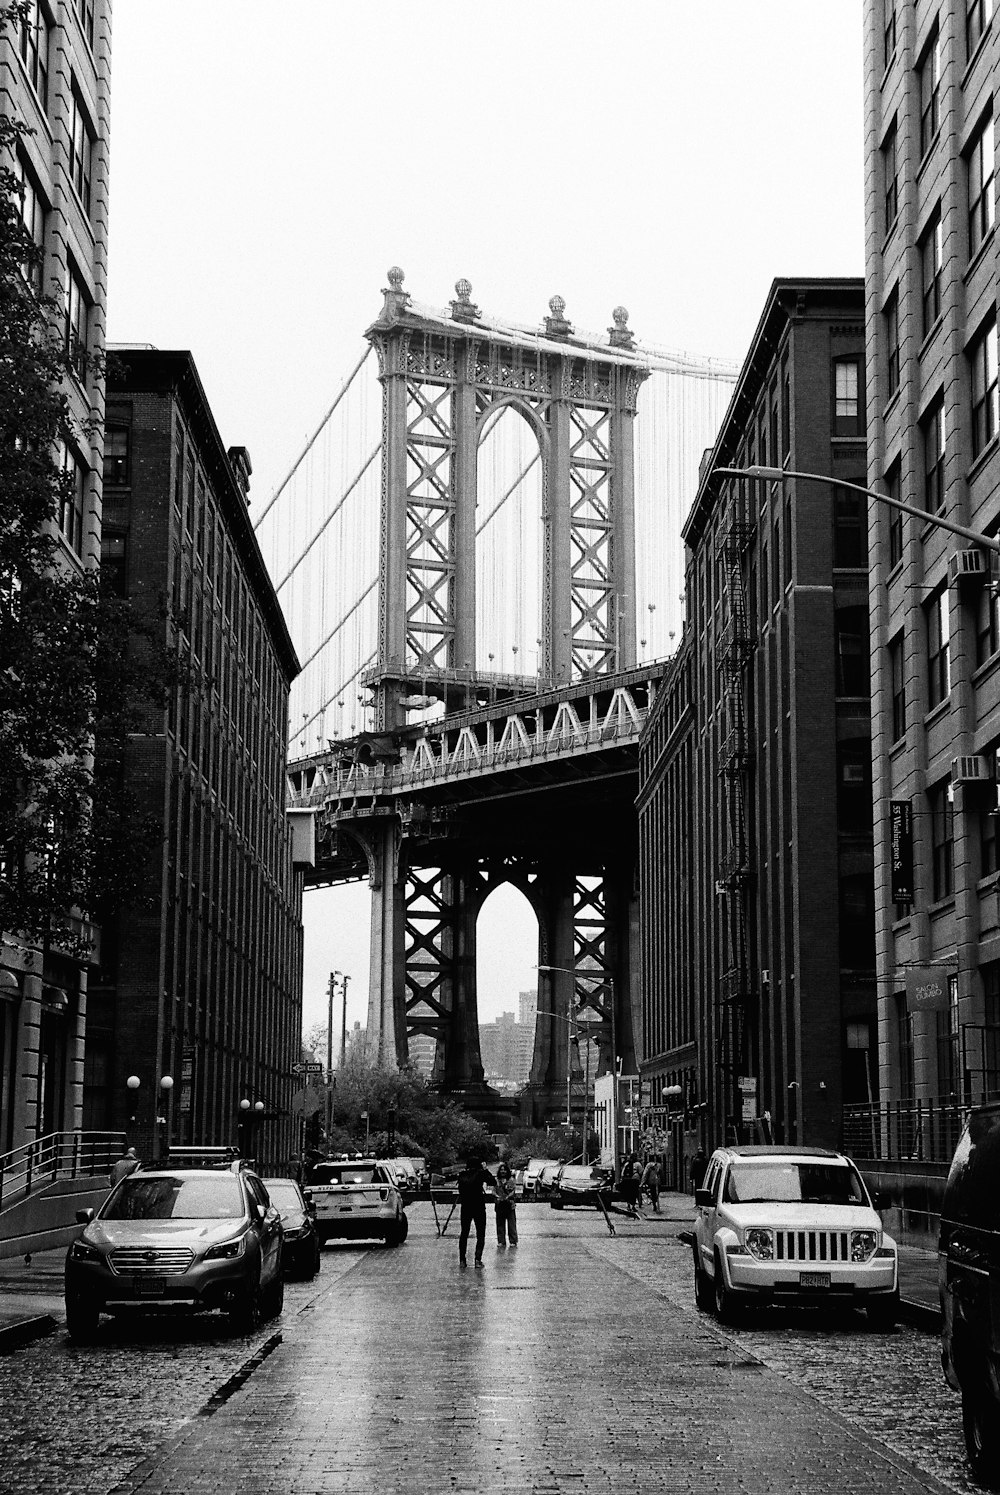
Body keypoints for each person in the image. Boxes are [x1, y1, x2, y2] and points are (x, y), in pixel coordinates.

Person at [456, 1156, 494, 1267]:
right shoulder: (481, 1174)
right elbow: (493, 1181)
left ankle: (462, 1260)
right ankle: (477, 1260)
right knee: (480, 1234)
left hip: (466, 1206)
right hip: (478, 1206)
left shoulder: (462, 1175)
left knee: (464, 1233)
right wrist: (485, 1169)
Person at [494, 1161, 518, 1248]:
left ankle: (513, 1241)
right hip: (499, 1204)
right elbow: (493, 1190)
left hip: (509, 1204)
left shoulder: (511, 1180)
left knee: (511, 1224)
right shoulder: (496, 1181)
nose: (503, 1171)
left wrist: (507, 1197)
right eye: (501, 1170)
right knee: (500, 1224)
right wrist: (497, 1196)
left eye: (504, 1170)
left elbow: (513, 1191)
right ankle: (501, 1241)